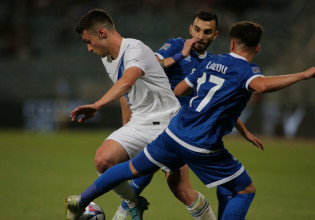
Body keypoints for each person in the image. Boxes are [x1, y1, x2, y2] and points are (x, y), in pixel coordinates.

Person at [65, 20, 315, 219]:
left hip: (174, 132)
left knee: (130, 170)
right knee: (243, 189)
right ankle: (130, 207)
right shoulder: (247, 71)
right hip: (202, 143)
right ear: (257, 49)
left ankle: (81, 201)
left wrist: (240, 127)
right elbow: (261, 86)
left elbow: (181, 90)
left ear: (229, 43)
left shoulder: (212, 62)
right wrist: (304, 74)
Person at [115, 10, 262, 220]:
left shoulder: (213, 62)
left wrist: (244, 131)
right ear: (190, 29)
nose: (201, 36)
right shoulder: (175, 46)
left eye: (207, 31)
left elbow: (220, 105)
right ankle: (119, 214)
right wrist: (180, 56)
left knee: (186, 190)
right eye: (197, 29)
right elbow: (147, 66)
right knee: (146, 172)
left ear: (215, 35)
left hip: (189, 128)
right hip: (163, 122)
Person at [68, 8, 181, 220]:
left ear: (102, 33)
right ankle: (134, 203)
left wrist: (98, 104)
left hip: (168, 121)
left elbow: (128, 80)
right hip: (140, 123)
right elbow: (125, 93)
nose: (89, 49)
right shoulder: (107, 59)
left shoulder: (135, 49)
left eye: (88, 41)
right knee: (103, 160)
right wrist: (125, 129)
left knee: (182, 192)